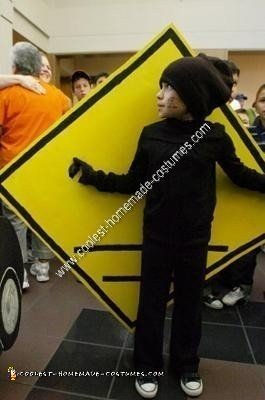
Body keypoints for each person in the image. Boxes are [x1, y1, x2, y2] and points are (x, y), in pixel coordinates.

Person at [68, 54, 265, 398]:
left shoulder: (214, 137)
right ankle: (146, 366)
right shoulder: (151, 134)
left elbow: (240, 175)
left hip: (196, 236)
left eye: (168, 87)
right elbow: (133, 181)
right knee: (151, 302)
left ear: (191, 94)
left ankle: (187, 365)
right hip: (156, 235)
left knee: (190, 303)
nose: (159, 95)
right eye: (161, 87)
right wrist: (93, 176)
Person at [0, 42, 71, 289]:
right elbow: (69, 118)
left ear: (16, 66)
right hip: (44, 168)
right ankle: (42, 266)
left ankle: (21, 275)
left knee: (16, 221)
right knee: (40, 217)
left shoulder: (6, 95)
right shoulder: (56, 96)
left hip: (12, 168)